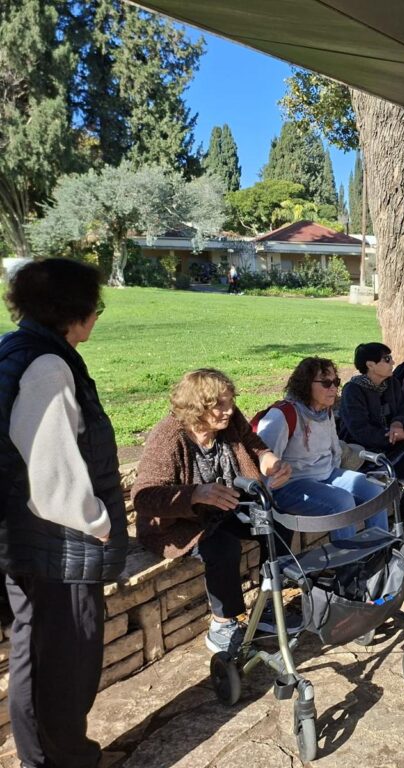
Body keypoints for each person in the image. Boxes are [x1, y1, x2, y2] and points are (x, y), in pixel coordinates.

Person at [0, 259, 129, 768]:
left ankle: (45, 758)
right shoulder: (48, 367)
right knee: (66, 664)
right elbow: (50, 471)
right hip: (58, 545)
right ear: (73, 311)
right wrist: (97, 523)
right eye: (95, 307)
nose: (96, 316)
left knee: (36, 652)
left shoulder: (17, 351)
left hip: (28, 540)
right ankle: (64, 760)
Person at [133, 369, 293, 655]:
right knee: (222, 547)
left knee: (276, 524)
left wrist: (271, 462)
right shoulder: (168, 437)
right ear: (196, 407)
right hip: (182, 522)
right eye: (219, 404)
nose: (229, 409)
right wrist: (195, 494)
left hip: (227, 506)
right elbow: (144, 497)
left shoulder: (228, 420)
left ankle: (268, 604)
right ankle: (222, 625)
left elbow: (254, 444)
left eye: (230, 401)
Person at [256, 356, 390, 544]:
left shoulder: (324, 411)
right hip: (291, 485)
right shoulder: (283, 415)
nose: (334, 388)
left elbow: (334, 448)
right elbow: (261, 457)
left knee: (374, 490)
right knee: (342, 501)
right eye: (326, 383)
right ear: (306, 385)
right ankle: (349, 559)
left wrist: (338, 475)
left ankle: (380, 550)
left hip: (327, 474)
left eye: (336, 382)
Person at [338, 342, 404, 523]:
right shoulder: (352, 390)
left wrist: (397, 424)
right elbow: (360, 431)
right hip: (363, 450)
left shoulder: (392, 383)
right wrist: (392, 437)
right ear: (370, 365)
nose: (392, 362)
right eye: (387, 359)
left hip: (390, 442)